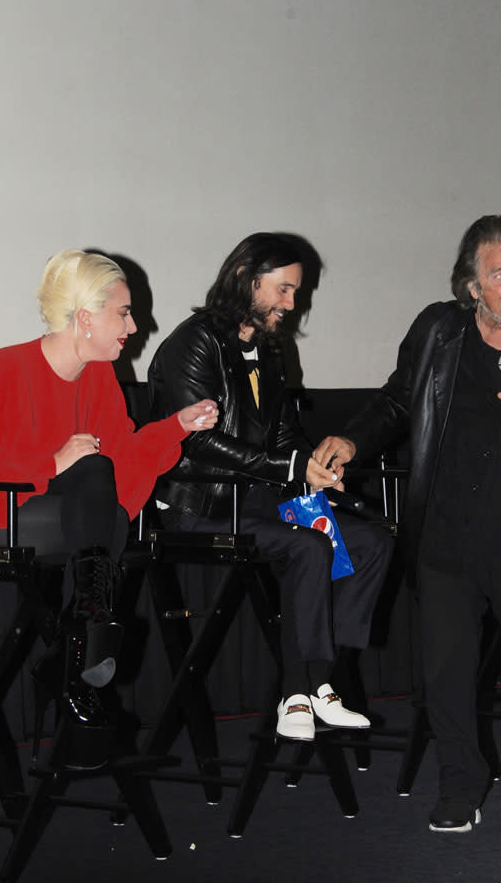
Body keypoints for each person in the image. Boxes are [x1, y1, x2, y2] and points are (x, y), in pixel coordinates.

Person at [314, 214, 501, 832]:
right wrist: (353, 442)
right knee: (448, 671)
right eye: (499, 274)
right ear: (471, 287)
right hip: (448, 533)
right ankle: (461, 784)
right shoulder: (438, 331)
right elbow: (396, 400)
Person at [0, 248, 218, 767]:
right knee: (96, 485)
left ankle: (73, 648)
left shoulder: (99, 377)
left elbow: (122, 454)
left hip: (60, 517)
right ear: (85, 317)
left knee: (99, 479)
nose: (133, 324)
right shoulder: (6, 366)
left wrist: (177, 426)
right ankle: (83, 634)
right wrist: (53, 463)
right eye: (122, 312)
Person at [148, 232, 393, 740]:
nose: (291, 303)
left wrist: (315, 466)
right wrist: (290, 469)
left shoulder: (271, 350)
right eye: (282, 289)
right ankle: (294, 692)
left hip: (260, 502)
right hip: (200, 507)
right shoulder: (193, 343)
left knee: (371, 543)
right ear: (245, 278)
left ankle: (317, 684)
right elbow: (197, 443)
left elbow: (283, 435)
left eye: (296, 292)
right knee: (307, 547)